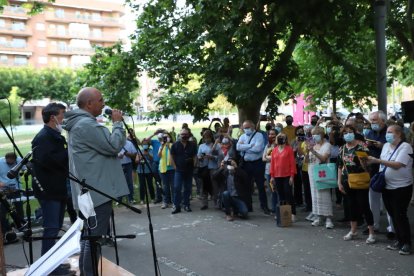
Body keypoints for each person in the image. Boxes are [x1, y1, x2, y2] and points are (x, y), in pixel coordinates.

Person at [63, 87, 129, 275]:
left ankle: (86, 273)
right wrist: (117, 124)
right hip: (96, 191)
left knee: (89, 238)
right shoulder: (86, 125)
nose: (104, 103)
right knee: (94, 239)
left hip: (90, 190)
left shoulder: (81, 123)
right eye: (100, 100)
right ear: (89, 103)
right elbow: (113, 145)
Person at [31, 103, 74, 275]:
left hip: (57, 189)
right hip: (49, 191)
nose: (64, 119)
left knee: (55, 228)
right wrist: (68, 151)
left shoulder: (54, 135)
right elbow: (47, 161)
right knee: (51, 229)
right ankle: (49, 268)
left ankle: (53, 263)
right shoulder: (43, 137)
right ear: (52, 117)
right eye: (62, 115)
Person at [367, 124, 413, 255]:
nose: (387, 134)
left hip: (401, 187)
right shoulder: (386, 146)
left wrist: (377, 161)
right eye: (387, 132)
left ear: (398, 134)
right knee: (393, 214)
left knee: (400, 215)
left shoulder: (406, 147)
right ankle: (399, 240)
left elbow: (398, 165)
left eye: (390, 132)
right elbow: (383, 162)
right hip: (387, 186)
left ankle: (406, 243)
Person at [337, 126, 376, 244]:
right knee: (351, 205)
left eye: (350, 132)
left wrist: (364, 162)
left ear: (354, 133)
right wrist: (339, 182)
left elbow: (369, 166)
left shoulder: (362, 147)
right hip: (347, 180)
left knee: (364, 205)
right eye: (345, 133)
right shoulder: (342, 148)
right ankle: (353, 230)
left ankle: (371, 233)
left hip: (360, 179)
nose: (348, 134)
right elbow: (340, 166)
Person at [366, 110, 394, 237]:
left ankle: (392, 228)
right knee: (373, 199)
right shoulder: (369, 132)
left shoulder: (390, 132)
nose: (372, 123)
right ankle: (374, 225)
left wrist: (382, 145)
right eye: (371, 120)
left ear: (383, 121)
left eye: (375, 120)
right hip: (372, 170)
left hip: (387, 169)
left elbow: (396, 148)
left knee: (388, 201)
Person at [236, 120, 270, 214]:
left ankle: (264, 206)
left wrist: (245, 147)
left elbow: (258, 149)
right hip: (246, 164)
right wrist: (251, 145)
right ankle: (248, 206)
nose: (245, 129)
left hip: (257, 163)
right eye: (244, 128)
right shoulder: (242, 136)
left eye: (247, 127)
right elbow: (238, 147)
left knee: (260, 186)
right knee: (246, 186)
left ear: (253, 127)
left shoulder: (259, 136)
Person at [307, 126, 334, 229]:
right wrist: (306, 151)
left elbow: (323, 159)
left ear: (321, 135)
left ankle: (328, 218)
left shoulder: (327, 145)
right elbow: (307, 159)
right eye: (313, 134)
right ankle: (318, 216)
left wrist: (313, 151)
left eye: (316, 134)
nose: (314, 137)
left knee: (324, 193)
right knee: (314, 194)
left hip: (322, 171)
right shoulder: (312, 145)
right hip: (312, 170)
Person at [269, 133, 297, 224]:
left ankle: (292, 213)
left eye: (283, 137)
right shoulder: (274, 150)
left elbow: (292, 163)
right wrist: (272, 176)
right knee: (280, 194)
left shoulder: (289, 149)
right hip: (277, 175)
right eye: (279, 137)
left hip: (287, 175)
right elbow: (272, 164)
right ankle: (281, 212)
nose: (281, 139)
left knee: (288, 193)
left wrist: (292, 176)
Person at [170, 128, 197, 214]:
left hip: (189, 170)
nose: (184, 136)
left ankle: (186, 205)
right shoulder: (175, 145)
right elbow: (171, 157)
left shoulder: (192, 145)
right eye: (182, 134)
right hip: (179, 170)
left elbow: (195, 156)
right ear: (179, 135)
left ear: (188, 135)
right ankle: (176, 206)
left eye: (186, 134)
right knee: (177, 187)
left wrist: (194, 165)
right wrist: (175, 167)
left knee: (188, 188)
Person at [0, 152, 24, 237]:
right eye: (8, 161)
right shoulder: (0, 162)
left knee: (19, 211)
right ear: (5, 159)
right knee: (3, 213)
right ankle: (5, 232)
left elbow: (25, 169)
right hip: (3, 191)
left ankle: (21, 229)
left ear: (15, 160)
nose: (10, 163)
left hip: (16, 189)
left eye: (12, 162)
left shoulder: (19, 161)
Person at [118, 137, 137, 204]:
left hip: (128, 164)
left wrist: (127, 154)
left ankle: (131, 198)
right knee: (119, 182)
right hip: (118, 165)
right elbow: (112, 154)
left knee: (129, 182)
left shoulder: (129, 143)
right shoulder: (116, 143)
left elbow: (134, 155)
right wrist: (118, 156)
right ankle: (119, 199)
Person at [158, 132, 175, 209]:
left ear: (170, 138)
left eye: (167, 137)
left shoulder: (172, 145)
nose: (166, 139)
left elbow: (174, 154)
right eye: (164, 137)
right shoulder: (161, 145)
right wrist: (162, 146)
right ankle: (166, 202)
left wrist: (168, 145)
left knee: (173, 186)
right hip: (163, 169)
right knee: (165, 186)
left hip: (171, 169)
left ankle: (175, 202)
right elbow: (159, 156)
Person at [136, 140, 155, 204]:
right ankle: (142, 199)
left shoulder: (151, 150)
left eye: (146, 144)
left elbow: (153, 159)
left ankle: (153, 198)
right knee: (142, 185)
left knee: (150, 185)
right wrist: (141, 157)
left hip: (149, 171)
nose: (145, 145)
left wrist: (148, 154)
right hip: (141, 171)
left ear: (148, 145)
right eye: (143, 144)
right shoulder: (139, 151)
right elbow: (136, 160)